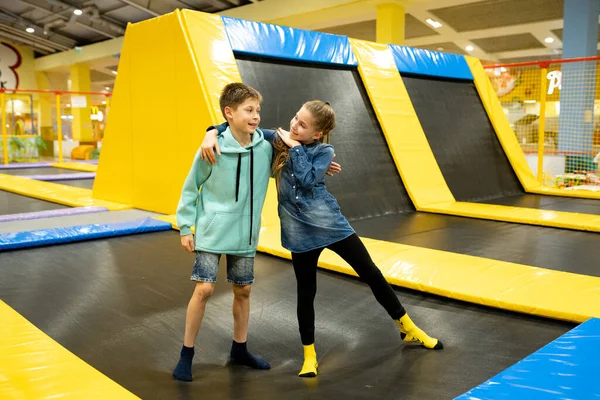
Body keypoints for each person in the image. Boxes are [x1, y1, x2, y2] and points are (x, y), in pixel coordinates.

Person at [202, 100, 443, 379]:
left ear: (317, 134)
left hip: (331, 225)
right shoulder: (279, 138)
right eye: (295, 117)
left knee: (371, 273)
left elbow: (305, 180)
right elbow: (241, 127)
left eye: (302, 125)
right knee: (306, 293)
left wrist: (295, 149)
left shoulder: (323, 150)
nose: (294, 125)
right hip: (299, 233)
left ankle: (409, 328)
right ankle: (309, 354)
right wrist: (211, 131)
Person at [172, 82, 273, 382]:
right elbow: (191, 187)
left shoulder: (266, 147)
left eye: (258, 110)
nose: (256, 116)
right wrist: (185, 227)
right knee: (203, 290)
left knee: (243, 291)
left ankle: (239, 350)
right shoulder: (211, 147)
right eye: (249, 110)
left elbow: (295, 138)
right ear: (229, 113)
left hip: (245, 233)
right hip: (212, 231)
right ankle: (186, 354)